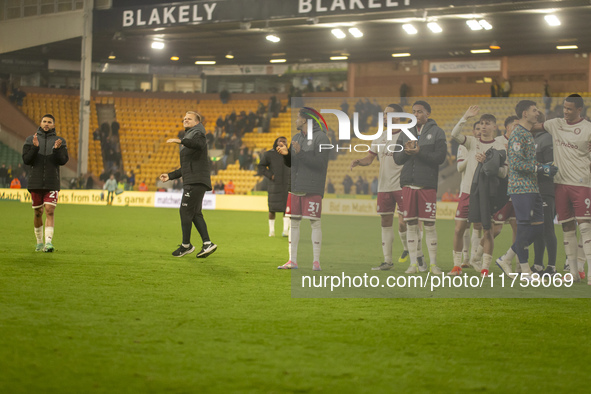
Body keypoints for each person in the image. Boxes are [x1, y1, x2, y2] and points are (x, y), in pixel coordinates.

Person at [350, 104, 420, 271]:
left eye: (388, 114)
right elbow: (370, 158)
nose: (385, 117)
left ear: (398, 117)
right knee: (385, 221)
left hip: (403, 185)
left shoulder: (407, 136)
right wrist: (360, 162)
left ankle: (416, 256)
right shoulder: (379, 137)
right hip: (384, 186)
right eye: (384, 115)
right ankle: (387, 261)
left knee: (406, 223)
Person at [496, 100, 557, 280]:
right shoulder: (518, 135)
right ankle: (525, 271)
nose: (537, 112)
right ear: (524, 113)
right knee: (523, 228)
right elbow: (516, 163)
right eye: (534, 110)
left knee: (538, 230)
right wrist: (541, 169)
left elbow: (528, 162)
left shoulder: (527, 134)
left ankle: (506, 258)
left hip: (532, 187)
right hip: (520, 187)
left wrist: (544, 166)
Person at [533, 94, 591, 282]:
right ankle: (573, 273)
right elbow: (534, 127)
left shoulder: (588, 129)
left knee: (584, 227)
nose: (565, 111)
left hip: (582, 183)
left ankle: (589, 273)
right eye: (564, 108)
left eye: (570, 109)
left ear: (579, 109)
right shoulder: (556, 124)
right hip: (560, 184)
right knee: (566, 227)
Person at [450, 107, 508, 277]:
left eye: (487, 124)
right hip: (467, 191)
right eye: (481, 123)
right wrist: (465, 117)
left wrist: (488, 163)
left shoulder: (499, 147)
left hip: (486, 194)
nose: (483, 126)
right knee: (459, 228)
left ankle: (485, 268)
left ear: (494, 127)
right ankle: (457, 266)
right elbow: (454, 135)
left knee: (487, 230)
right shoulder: (472, 142)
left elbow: (503, 172)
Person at [393, 100, 447, 274]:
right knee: (411, 225)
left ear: (428, 113)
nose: (415, 115)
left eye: (419, 111)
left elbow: (440, 157)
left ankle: (433, 265)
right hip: (407, 183)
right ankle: (413, 264)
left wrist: (419, 152)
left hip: (427, 184)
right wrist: (406, 152)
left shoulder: (437, 132)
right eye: (413, 112)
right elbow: (397, 158)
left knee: (429, 225)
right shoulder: (405, 132)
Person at [277, 107, 330, 271]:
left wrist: (300, 153)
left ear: (305, 120)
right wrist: (287, 155)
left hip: (313, 186)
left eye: (298, 117)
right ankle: (292, 260)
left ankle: (316, 262)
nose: (295, 120)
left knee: (315, 223)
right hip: (295, 186)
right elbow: (293, 164)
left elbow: (320, 163)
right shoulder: (296, 137)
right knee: (294, 223)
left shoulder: (322, 138)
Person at [160, 111, 217, 258]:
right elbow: (186, 167)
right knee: (194, 213)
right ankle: (207, 244)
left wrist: (181, 141)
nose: (185, 120)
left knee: (185, 211)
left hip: (196, 181)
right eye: (184, 118)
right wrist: (170, 176)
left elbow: (198, 144)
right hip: (195, 179)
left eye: (189, 119)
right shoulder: (190, 136)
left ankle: (186, 245)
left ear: (197, 122)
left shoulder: (198, 133)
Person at [22, 114, 69, 252]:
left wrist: (56, 150)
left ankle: (48, 243)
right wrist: (35, 148)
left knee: (49, 210)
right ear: (40, 123)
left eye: (49, 122)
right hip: (35, 182)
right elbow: (26, 160)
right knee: (38, 212)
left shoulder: (60, 141)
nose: (46, 124)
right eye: (44, 121)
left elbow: (62, 161)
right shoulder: (31, 140)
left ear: (53, 125)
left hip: (52, 181)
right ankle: (39, 242)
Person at [456, 121, 483, 268]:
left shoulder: (487, 146)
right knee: (464, 225)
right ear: (473, 131)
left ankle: (474, 258)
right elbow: (459, 167)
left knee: (478, 225)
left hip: (481, 190)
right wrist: (471, 156)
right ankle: (465, 258)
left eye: (481, 129)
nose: (479, 131)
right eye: (477, 128)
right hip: (465, 190)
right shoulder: (464, 146)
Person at [532, 120, 557, 275]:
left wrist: (533, 166)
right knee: (537, 228)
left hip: (546, 189)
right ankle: (538, 265)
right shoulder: (534, 139)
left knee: (547, 226)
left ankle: (551, 267)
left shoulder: (546, 138)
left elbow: (551, 166)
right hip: (535, 189)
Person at [258, 136, 291, 237]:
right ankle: (271, 231)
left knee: (287, 209)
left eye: (284, 141)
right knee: (272, 209)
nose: (282, 143)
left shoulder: (289, 154)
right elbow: (261, 166)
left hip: (287, 185)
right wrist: (270, 175)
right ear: (276, 143)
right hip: (274, 185)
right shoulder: (269, 154)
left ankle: (285, 230)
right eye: (280, 141)